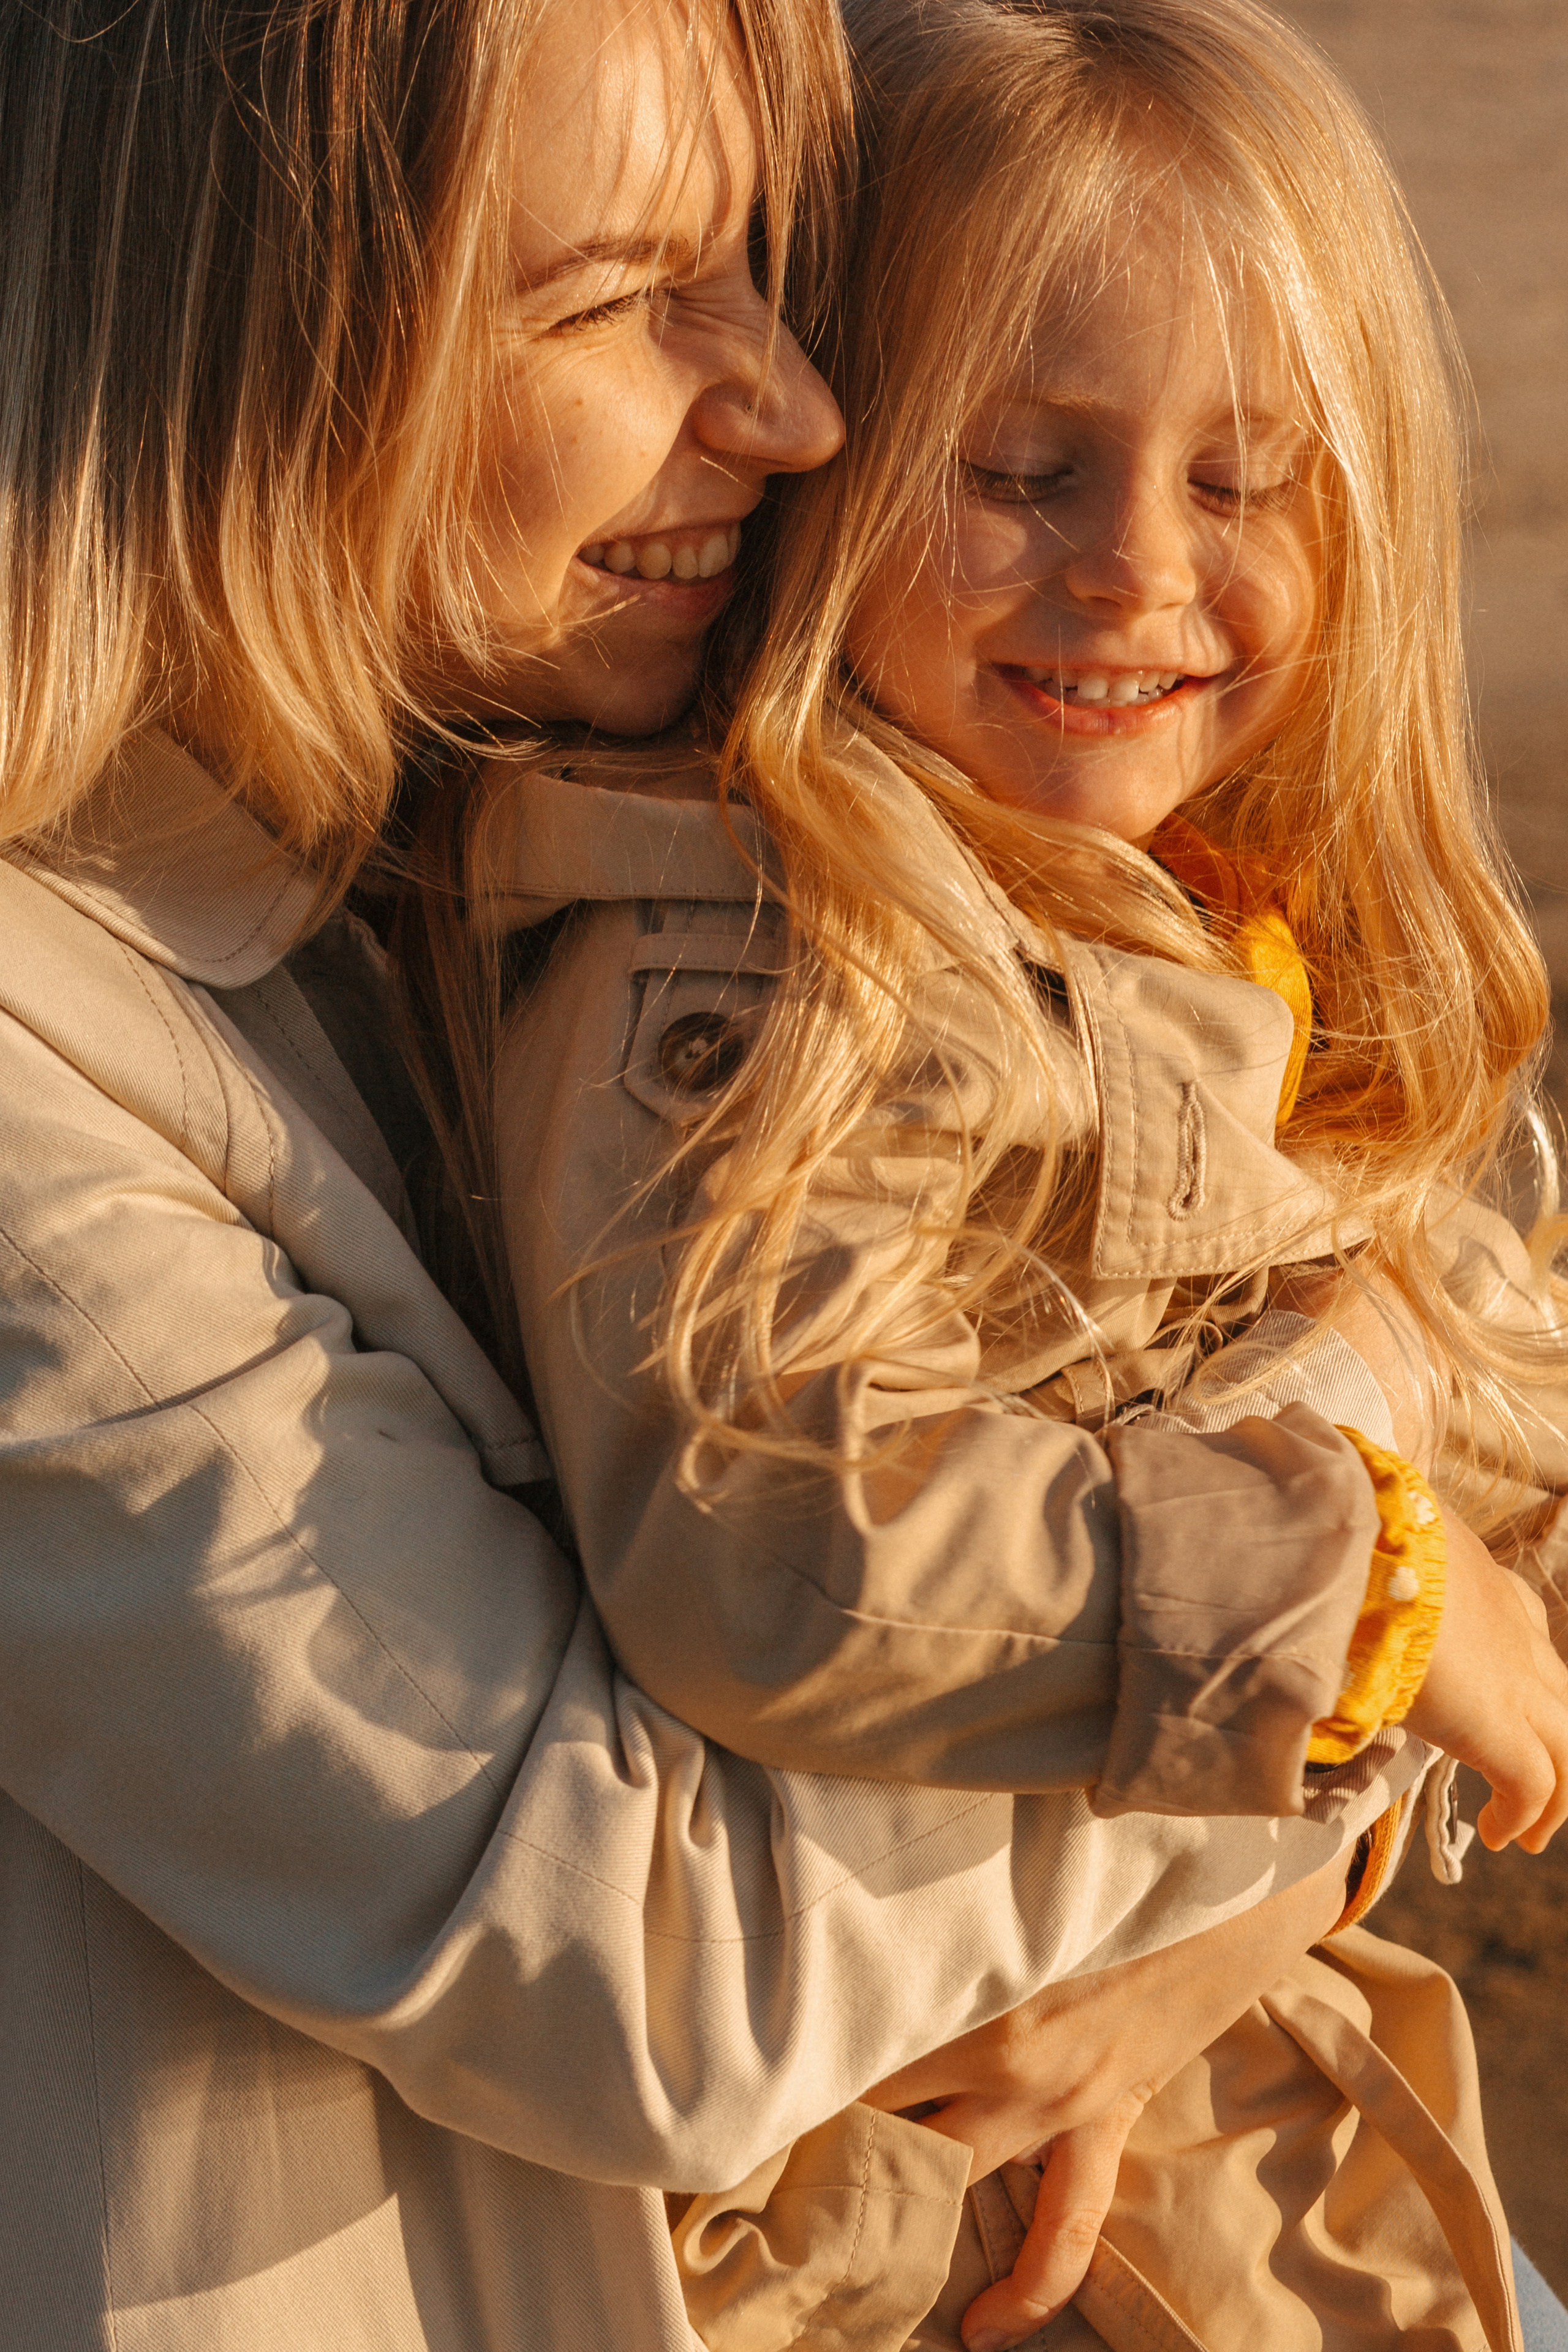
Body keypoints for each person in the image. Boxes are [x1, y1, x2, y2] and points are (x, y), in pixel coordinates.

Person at [0, 0, 1442, 2346]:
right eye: (611, 293)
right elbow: (637, 1962)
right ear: (230, 338)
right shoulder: (46, 1085)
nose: (797, 408)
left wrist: (1275, 1866)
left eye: (773, 262)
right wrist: (1366, 1534)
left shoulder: (523, 810)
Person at [435, 0, 1568, 2342]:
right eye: (1027, 471)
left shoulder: (1162, 909)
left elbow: (1453, 1366)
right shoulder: (772, 966)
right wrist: (1364, 1604)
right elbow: (764, 1514)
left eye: (1240, 484)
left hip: (1232, 2134)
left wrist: (1351, 1757)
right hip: (940, 2244)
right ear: (819, 474)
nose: (1136, 574)